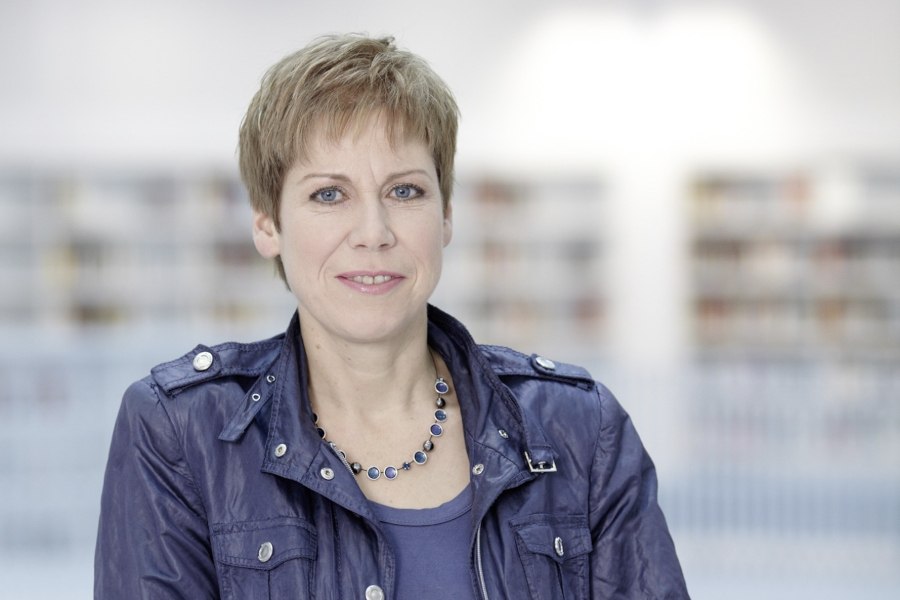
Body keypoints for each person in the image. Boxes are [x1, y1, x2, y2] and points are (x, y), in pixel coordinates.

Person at [94, 34, 689, 599]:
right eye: (329, 194)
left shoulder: (580, 431)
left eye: (405, 192)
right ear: (267, 224)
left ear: (446, 214)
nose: (374, 234)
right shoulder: (182, 431)